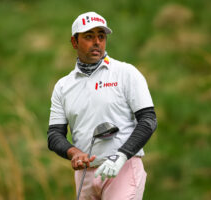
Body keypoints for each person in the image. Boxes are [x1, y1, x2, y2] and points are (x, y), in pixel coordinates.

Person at [47, 11, 157, 200]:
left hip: (122, 168)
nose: (97, 42)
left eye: (101, 36)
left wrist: (121, 155)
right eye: (89, 37)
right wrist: (74, 153)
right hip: (85, 174)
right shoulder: (63, 86)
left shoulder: (125, 73)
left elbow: (148, 120)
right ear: (75, 42)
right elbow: (54, 135)